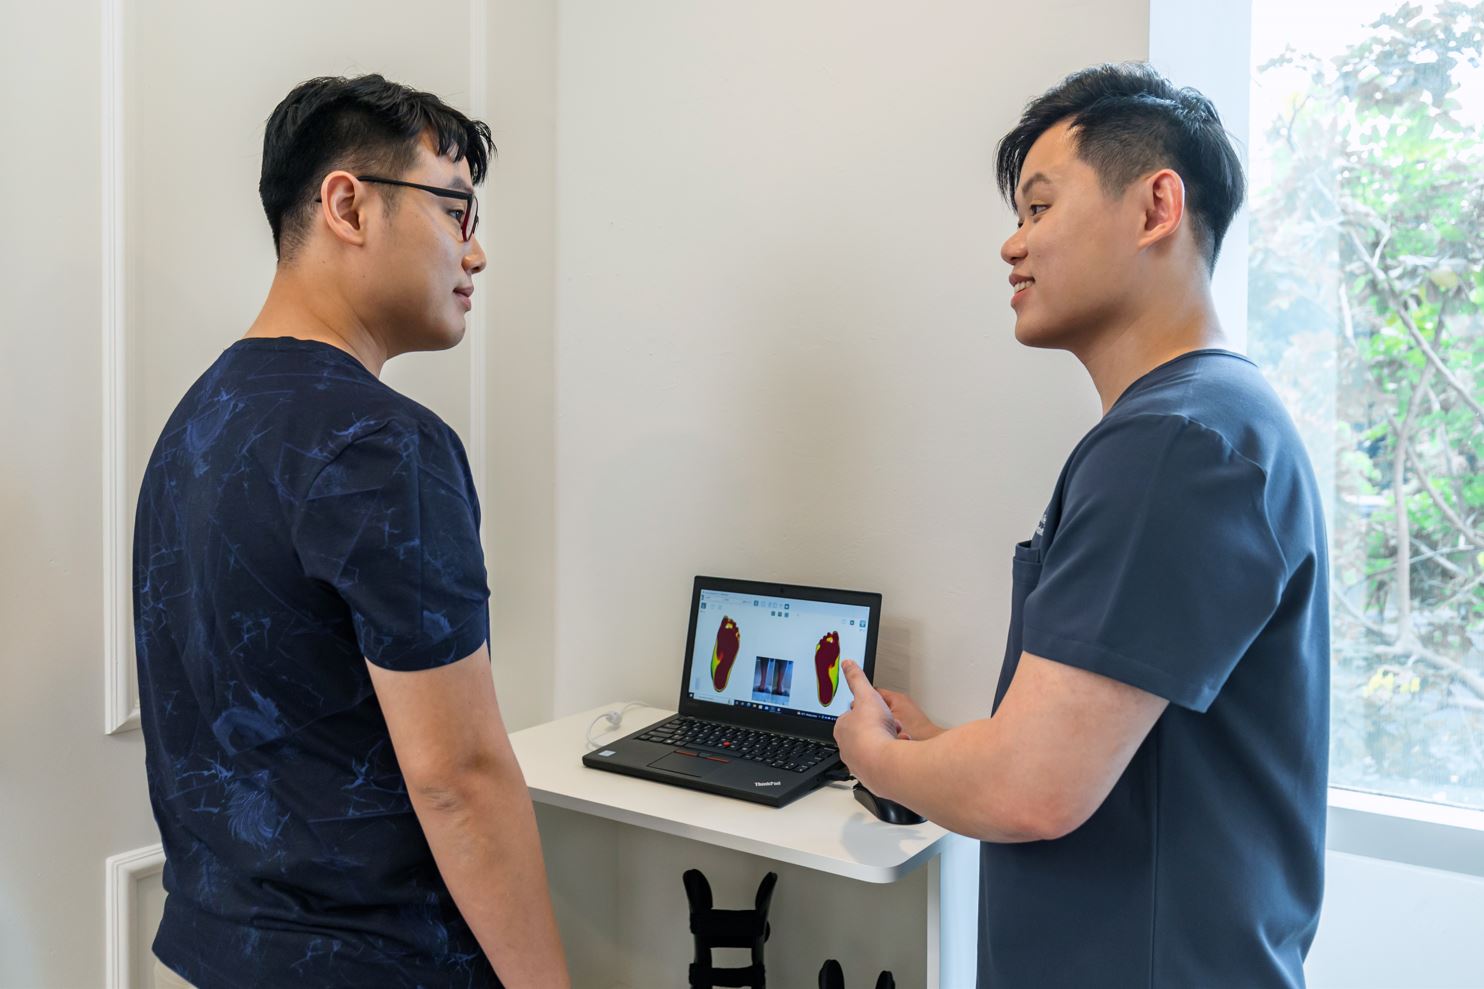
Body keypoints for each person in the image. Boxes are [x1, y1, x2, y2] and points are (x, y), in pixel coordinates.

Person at [834, 63, 1329, 988]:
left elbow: (1033, 788)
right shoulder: (1213, 421)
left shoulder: (1175, 441)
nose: (1010, 246)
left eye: (1039, 206)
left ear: (1155, 208)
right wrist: (942, 747)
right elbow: (1103, 748)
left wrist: (873, 758)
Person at [133, 74, 569, 988]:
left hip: (216, 953)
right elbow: (460, 778)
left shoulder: (197, 423)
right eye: (456, 209)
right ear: (348, 204)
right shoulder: (383, 444)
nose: (476, 251)